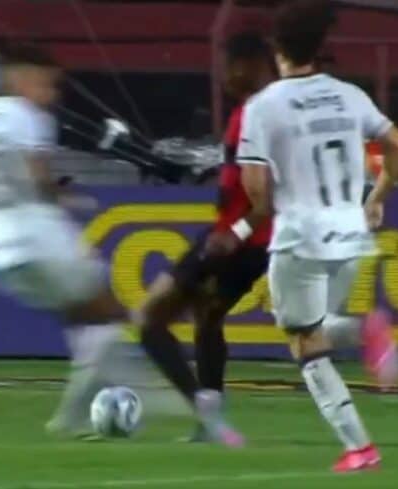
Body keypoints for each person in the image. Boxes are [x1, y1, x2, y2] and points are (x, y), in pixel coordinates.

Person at [233, 0, 398, 472]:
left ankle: (359, 446)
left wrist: (246, 220)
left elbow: (257, 192)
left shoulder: (262, 106)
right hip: (350, 232)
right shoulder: (349, 95)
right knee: (316, 326)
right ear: (319, 46)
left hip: (301, 234)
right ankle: (364, 335)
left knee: (302, 338)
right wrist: (376, 198)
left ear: (276, 48)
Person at [0, 44, 128, 438]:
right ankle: (74, 417)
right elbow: (36, 174)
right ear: (17, 80)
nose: (51, 95)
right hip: (39, 236)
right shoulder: (26, 116)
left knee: (79, 317)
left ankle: (97, 401)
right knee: (108, 314)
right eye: (46, 84)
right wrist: (65, 198)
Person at [121, 33, 276, 446]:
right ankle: (210, 417)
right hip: (246, 239)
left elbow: (266, 194)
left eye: (228, 67)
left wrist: (236, 233)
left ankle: (206, 413)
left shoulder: (256, 114)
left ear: (251, 66)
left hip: (239, 239)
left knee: (150, 319)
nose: (223, 76)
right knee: (207, 319)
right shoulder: (263, 112)